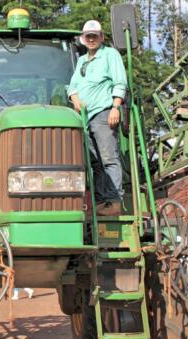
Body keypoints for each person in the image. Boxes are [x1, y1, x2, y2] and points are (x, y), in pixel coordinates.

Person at [67, 20, 128, 217]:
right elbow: (72, 85)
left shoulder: (110, 54)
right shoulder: (83, 61)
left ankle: (114, 201)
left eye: (95, 35)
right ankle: (102, 202)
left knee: (109, 158)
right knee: (96, 163)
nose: (91, 39)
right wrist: (75, 99)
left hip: (103, 112)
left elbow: (120, 81)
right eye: (88, 36)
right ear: (83, 39)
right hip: (85, 118)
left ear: (102, 37)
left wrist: (115, 107)